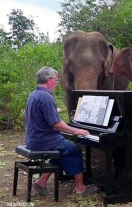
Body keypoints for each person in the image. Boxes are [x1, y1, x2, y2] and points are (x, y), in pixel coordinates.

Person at [24, 66, 99, 195]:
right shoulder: (46, 97)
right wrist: (76, 131)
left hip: (33, 139)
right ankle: (81, 188)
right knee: (73, 149)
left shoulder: (34, 94)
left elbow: (53, 121)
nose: (57, 84)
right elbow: (56, 123)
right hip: (44, 140)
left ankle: (41, 181)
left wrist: (70, 128)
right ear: (49, 80)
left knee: (62, 151)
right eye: (56, 80)